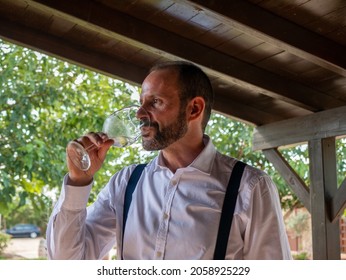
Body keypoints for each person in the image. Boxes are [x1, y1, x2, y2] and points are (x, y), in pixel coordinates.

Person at [46, 61, 292, 260]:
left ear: (194, 109)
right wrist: (78, 181)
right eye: (141, 102)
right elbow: (66, 261)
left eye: (155, 102)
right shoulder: (126, 182)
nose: (140, 114)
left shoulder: (249, 187)